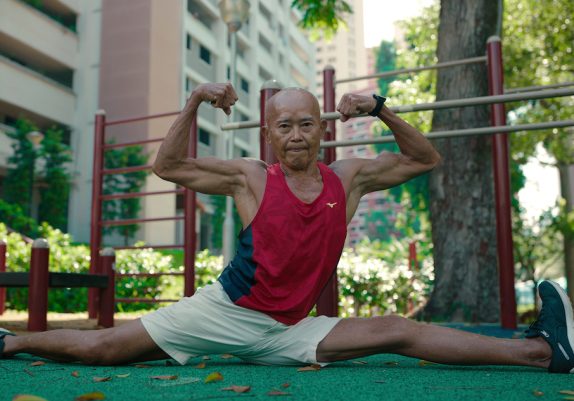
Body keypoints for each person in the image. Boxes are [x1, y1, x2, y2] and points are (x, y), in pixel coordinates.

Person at [1, 83, 573, 374]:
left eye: (306, 123)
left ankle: (543, 354)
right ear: (269, 136)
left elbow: (424, 159)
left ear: (322, 129)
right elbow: (168, 167)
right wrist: (196, 99)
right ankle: (10, 342)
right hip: (222, 314)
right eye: (284, 126)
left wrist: (380, 108)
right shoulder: (250, 177)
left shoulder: (347, 179)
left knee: (400, 329)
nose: (295, 134)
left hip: (293, 329)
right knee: (106, 349)